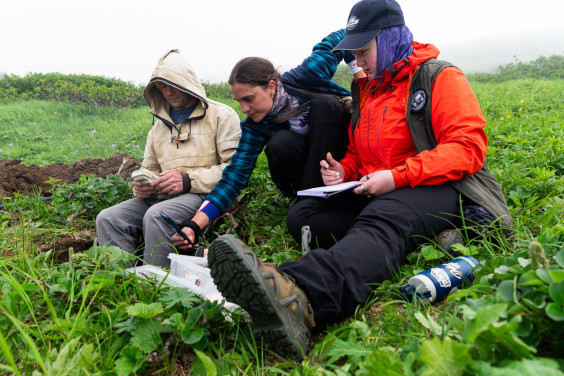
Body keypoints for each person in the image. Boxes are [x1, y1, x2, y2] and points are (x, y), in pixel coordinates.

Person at [204, 0, 513, 360]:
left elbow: (468, 148)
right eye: (353, 52)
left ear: (391, 38)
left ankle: (303, 293)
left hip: (435, 185)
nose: (357, 62)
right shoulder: (368, 89)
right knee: (303, 218)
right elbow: (358, 152)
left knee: (382, 221)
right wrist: (345, 172)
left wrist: (396, 177)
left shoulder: (438, 75)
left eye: (363, 50)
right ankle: (412, 240)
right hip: (381, 188)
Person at [171, 29, 366, 252]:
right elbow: (234, 177)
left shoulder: (306, 77)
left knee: (325, 105)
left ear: (271, 87)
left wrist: (359, 76)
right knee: (280, 142)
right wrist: (194, 225)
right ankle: (311, 200)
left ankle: (315, 203)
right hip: (313, 174)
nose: (244, 109)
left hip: (344, 151)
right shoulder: (255, 126)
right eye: (239, 101)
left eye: (249, 99)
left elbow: (343, 35)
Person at [96, 49, 241, 267]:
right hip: (164, 197)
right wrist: (143, 187)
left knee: (157, 215)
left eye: (173, 85)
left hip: (205, 195)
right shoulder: (158, 128)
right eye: (162, 86)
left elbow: (234, 169)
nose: (169, 92)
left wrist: (186, 181)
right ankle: (121, 279)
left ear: (188, 82)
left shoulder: (222, 115)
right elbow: (150, 169)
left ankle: (156, 284)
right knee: (108, 218)